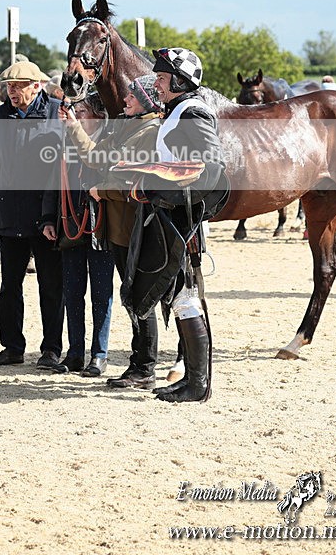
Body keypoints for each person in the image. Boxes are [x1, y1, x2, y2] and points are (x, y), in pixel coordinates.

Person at [123, 47, 226, 404]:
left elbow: (211, 169)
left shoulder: (192, 112)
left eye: (164, 79)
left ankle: (198, 385)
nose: (159, 84)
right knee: (182, 297)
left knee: (186, 297)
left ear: (181, 81)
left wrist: (156, 186)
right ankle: (193, 381)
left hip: (183, 220)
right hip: (174, 216)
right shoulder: (178, 110)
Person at [59, 74, 162, 389]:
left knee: (139, 296)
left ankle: (144, 367)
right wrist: (73, 126)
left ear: (144, 100)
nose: (126, 100)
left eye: (132, 96)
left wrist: (102, 191)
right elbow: (93, 155)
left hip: (134, 229)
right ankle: (139, 365)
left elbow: (137, 182)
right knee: (131, 295)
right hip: (118, 228)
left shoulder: (151, 133)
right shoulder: (127, 128)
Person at [0, 60, 64, 368]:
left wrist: (54, 214)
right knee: (9, 286)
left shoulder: (55, 112)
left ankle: (52, 349)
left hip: (46, 215)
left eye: (18, 87)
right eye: (8, 87)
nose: (11, 92)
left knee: (51, 286)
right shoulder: (1, 115)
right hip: (9, 212)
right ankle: (12, 347)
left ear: (35, 86)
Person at [55, 95, 115, 377]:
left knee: (101, 294)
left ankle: (99, 354)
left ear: (98, 115)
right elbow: (52, 181)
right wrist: (47, 218)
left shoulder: (110, 142)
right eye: (75, 112)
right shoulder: (65, 142)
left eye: (82, 112)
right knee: (72, 292)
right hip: (71, 223)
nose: (77, 117)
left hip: (100, 227)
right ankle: (75, 352)